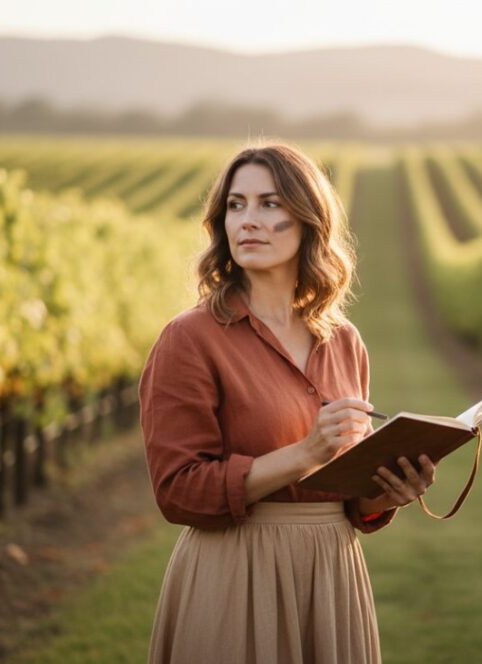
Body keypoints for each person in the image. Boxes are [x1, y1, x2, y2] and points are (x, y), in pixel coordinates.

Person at [139, 140, 437, 664]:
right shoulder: (190, 338)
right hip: (235, 572)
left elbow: (349, 499)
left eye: (270, 204)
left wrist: (386, 494)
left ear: (308, 222)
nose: (248, 220)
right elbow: (178, 492)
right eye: (236, 205)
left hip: (332, 573)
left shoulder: (344, 340)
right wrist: (306, 452)